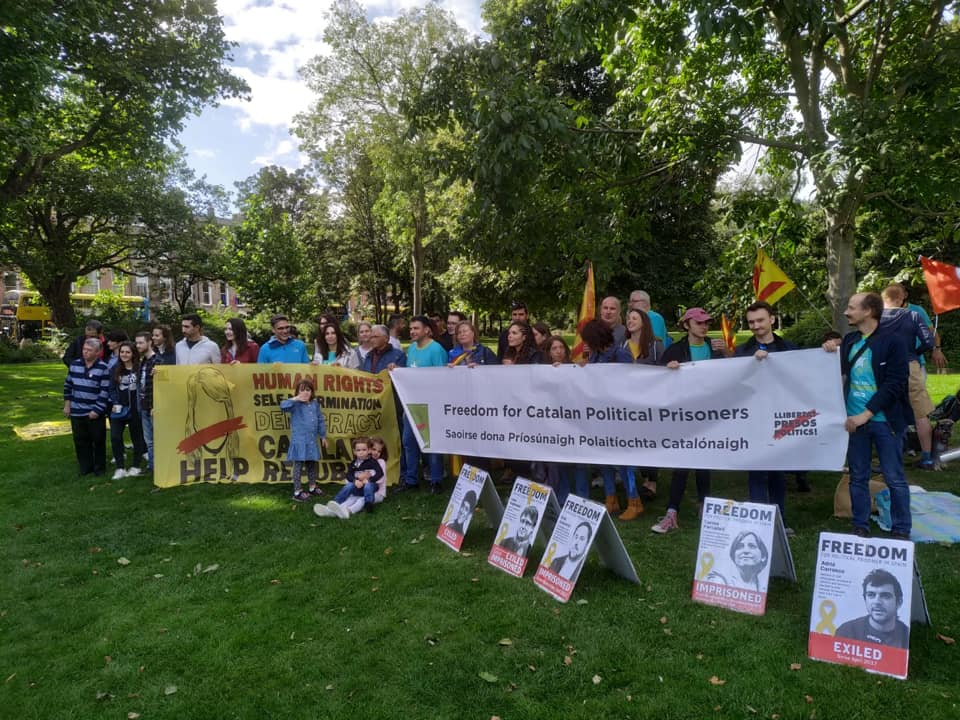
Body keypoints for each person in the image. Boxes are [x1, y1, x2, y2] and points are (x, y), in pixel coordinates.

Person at [823, 292, 911, 539]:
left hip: (885, 423)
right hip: (854, 423)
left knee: (894, 478)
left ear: (869, 311)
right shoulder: (850, 341)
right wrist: (829, 348)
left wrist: (865, 414)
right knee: (857, 476)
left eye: (852, 308)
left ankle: (901, 529)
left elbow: (894, 384)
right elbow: (837, 371)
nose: (846, 312)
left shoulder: (894, 342)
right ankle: (860, 525)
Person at [651, 307, 725, 534]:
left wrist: (727, 352)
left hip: (709, 414)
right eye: (699, 323)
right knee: (682, 464)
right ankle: (672, 511)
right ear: (686, 325)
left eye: (706, 323)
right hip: (683, 415)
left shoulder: (715, 347)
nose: (704, 327)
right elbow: (657, 379)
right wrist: (667, 370)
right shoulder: (675, 350)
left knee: (704, 463)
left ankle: (704, 506)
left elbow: (731, 373)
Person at [735, 301, 799, 532]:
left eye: (760, 320)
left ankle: (779, 520)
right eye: (751, 322)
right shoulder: (742, 352)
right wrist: (750, 364)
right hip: (753, 419)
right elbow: (733, 382)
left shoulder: (789, 349)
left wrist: (829, 348)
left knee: (777, 472)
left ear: (772, 319)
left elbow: (804, 374)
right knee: (757, 472)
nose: (755, 326)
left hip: (782, 418)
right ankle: (760, 523)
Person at [879, 284, 936, 469]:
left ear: (884, 299)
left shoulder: (876, 317)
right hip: (910, 365)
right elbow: (929, 341)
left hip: (885, 367)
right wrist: (914, 353)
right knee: (920, 413)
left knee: (886, 412)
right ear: (900, 298)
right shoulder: (913, 315)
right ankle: (927, 457)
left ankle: (890, 459)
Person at [397, 316, 448, 494]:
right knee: (409, 442)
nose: (412, 331)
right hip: (411, 405)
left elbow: (443, 378)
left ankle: (436, 480)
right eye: (411, 328)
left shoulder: (436, 349)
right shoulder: (411, 348)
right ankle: (411, 480)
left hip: (431, 405)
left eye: (416, 328)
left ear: (427, 330)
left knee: (432, 444)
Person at [63, 337, 110, 476]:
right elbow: (68, 386)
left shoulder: (103, 368)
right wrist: (67, 405)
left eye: (89, 350)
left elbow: (105, 391)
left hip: (94, 411)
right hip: (77, 411)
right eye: (84, 349)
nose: (85, 352)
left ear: (97, 352)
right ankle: (85, 467)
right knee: (80, 441)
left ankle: (99, 468)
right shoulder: (74, 365)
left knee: (98, 440)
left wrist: (97, 410)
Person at [280, 378, 328, 502]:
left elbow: (320, 419)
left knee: (312, 464)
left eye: (308, 390)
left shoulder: (315, 404)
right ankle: (297, 491)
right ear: (297, 392)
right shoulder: (294, 404)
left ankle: (312, 486)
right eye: (302, 390)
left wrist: (323, 436)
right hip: (299, 442)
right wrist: (296, 398)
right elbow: (283, 406)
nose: (305, 392)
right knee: (298, 466)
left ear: (312, 392)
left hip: (311, 441)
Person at [835, 569, 910, 648]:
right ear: (865, 599)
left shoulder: (907, 636)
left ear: (899, 602)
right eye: (871, 595)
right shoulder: (847, 631)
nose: (877, 602)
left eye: (885, 596)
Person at [107, 341, 147, 479]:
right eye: (122, 352)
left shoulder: (140, 368)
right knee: (115, 437)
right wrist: (115, 402)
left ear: (133, 354)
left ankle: (136, 466)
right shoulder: (115, 368)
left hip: (136, 409)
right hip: (119, 408)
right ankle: (120, 467)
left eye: (127, 352)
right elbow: (111, 388)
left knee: (137, 438)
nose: (124, 354)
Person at [323, 436, 384, 518]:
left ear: (369, 450)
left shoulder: (372, 462)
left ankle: (368, 504)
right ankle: (335, 502)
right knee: (349, 485)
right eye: (358, 450)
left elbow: (380, 473)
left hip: (371, 487)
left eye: (364, 450)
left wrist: (369, 480)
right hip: (359, 487)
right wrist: (355, 481)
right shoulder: (353, 463)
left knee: (368, 486)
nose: (361, 452)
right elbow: (349, 475)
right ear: (354, 451)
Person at [134, 331, 157, 472]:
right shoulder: (143, 362)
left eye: (141, 342)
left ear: (150, 343)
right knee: (149, 440)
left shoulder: (157, 361)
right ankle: (152, 466)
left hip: (154, 407)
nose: (138, 345)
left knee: (157, 439)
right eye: (136, 343)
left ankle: (159, 467)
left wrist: (156, 405)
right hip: (143, 406)